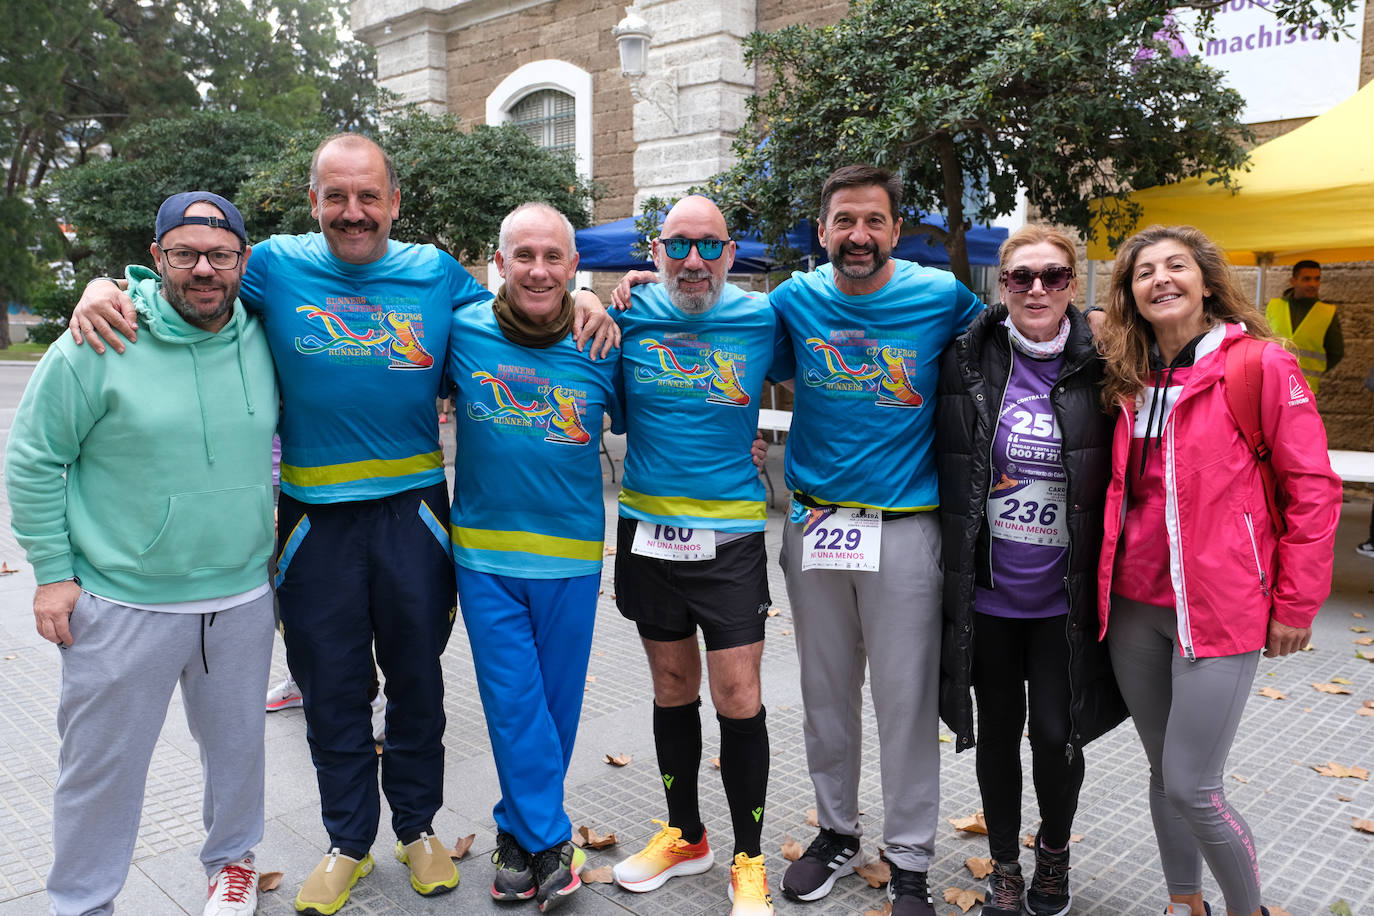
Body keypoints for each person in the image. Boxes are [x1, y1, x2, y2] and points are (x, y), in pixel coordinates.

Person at [65, 134, 616, 914]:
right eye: (336, 197)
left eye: (368, 197)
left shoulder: (434, 273)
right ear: (313, 201)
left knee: (418, 682)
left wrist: (584, 296)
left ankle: (418, 827)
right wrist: (102, 285)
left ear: (394, 202)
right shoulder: (274, 266)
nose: (352, 213)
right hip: (312, 522)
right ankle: (348, 841)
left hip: (415, 517)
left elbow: (525, 305)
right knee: (332, 687)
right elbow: (191, 278)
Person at [6, 193, 277, 916]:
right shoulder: (100, 337)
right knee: (101, 770)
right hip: (123, 599)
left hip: (243, 597)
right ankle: (82, 901)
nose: (203, 270)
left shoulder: (263, 331)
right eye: (184, 254)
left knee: (238, 751)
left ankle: (231, 861)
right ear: (154, 260)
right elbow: (34, 458)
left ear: (242, 262)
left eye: (220, 255)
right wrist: (52, 576)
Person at [1096, 225, 1341, 916]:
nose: (1161, 279)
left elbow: (1313, 487)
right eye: (1145, 272)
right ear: (1130, 294)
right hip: (1134, 606)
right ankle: (1184, 903)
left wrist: (1296, 601)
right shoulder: (1129, 376)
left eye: (1177, 266)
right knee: (1163, 771)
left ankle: (1248, 910)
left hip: (1220, 605)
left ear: (1207, 282)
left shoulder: (1258, 365)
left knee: (1192, 785)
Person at [772, 165, 983, 916]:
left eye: (873, 221)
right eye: (843, 222)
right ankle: (836, 832)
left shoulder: (939, 296)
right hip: (816, 526)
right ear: (821, 229)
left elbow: (1014, 334)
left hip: (903, 532)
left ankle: (911, 859)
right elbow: (714, 331)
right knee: (825, 696)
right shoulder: (793, 300)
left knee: (904, 703)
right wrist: (627, 290)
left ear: (896, 229)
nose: (857, 236)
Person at [935, 226, 1127, 916]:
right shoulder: (965, 357)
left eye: (1052, 276)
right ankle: (1007, 865)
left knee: (1055, 733)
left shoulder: (1108, 362)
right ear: (1001, 287)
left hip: (1061, 600)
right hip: (988, 595)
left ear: (1075, 285)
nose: (1037, 288)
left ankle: (1054, 850)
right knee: (996, 736)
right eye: (1021, 277)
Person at [608, 196, 784, 915]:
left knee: (737, 698)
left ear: (732, 254)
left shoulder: (765, 318)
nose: (693, 261)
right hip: (647, 531)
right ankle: (686, 836)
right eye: (678, 245)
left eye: (709, 247)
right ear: (655, 251)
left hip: (732, 537)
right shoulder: (625, 316)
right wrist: (605, 295)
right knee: (671, 692)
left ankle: (748, 856)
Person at [448, 203, 620, 913]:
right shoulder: (460, 330)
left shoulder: (604, 342)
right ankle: (550, 842)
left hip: (574, 557)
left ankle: (515, 837)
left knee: (555, 707)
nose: (539, 269)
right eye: (525, 255)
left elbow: (665, 414)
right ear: (500, 262)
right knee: (513, 704)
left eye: (554, 257)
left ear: (575, 266)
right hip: (485, 557)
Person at [1264, 259, 1342, 394]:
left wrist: (1315, 371)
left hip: (1305, 387)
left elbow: (1336, 352)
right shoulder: (1273, 306)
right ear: (1293, 281)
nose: (1313, 284)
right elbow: (1261, 341)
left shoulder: (1327, 312)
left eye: (1317, 279)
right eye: (1306, 279)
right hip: (1271, 381)